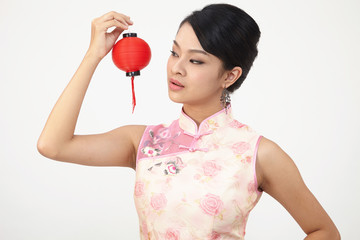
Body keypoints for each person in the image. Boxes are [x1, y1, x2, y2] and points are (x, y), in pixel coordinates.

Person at [37, 4, 340, 240]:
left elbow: (324, 231)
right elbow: (53, 145)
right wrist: (94, 55)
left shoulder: (257, 153)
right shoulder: (143, 142)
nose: (176, 68)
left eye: (195, 60)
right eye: (174, 53)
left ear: (230, 75)